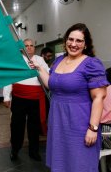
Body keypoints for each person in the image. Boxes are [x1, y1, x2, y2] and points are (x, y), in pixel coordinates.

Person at [29, 23, 108, 171]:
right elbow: (51, 84)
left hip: (80, 123)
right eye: (70, 39)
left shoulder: (91, 64)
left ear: (85, 44)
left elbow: (99, 98)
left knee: (80, 164)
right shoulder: (59, 61)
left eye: (79, 41)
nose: (73, 44)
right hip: (58, 121)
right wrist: (39, 68)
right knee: (61, 163)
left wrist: (93, 128)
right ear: (65, 41)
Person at [3, 38, 49, 161]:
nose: (29, 47)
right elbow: (9, 78)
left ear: (35, 47)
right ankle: (15, 149)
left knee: (34, 126)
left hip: (36, 97)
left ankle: (34, 151)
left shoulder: (40, 60)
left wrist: (39, 68)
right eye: (26, 45)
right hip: (19, 97)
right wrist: (7, 96)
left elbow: (47, 75)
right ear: (22, 48)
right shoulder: (16, 60)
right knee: (17, 125)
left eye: (31, 45)